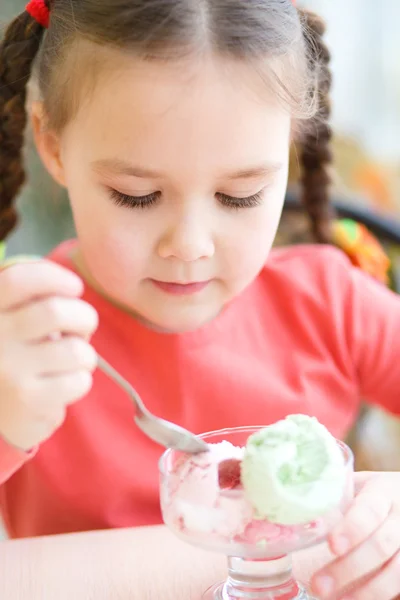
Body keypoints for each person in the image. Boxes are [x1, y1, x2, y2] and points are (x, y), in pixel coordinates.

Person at [0, 0, 399, 598]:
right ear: (53, 146)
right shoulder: (23, 339)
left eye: (240, 196)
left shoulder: (331, 304)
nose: (187, 246)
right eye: (136, 195)